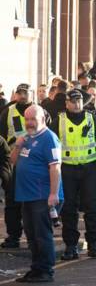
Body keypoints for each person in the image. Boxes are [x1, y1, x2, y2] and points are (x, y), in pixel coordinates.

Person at [51, 89, 96, 260]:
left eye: (79, 101)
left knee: (92, 208)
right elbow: (51, 145)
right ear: (67, 103)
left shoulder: (92, 119)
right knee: (69, 210)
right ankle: (71, 246)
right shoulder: (59, 120)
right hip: (67, 171)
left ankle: (93, 243)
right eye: (73, 101)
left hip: (89, 169)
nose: (77, 104)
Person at [12, 105, 63, 283]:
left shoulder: (49, 138)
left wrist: (53, 194)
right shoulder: (26, 138)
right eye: (27, 119)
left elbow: (55, 167)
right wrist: (17, 146)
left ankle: (46, 270)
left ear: (42, 119)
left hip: (42, 195)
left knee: (42, 234)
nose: (29, 123)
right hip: (27, 194)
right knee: (31, 234)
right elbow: (13, 162)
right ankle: (36, 268)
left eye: (33, 119)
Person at [0, 84, 32, 249]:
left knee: (32, 202)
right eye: (19, 93)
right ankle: (13, 236)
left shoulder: (39, 111)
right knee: (12, 202)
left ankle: (33, 237)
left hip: (33, 164)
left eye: (25, 93)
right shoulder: (8, 111)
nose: (22, 96)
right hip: (14, 163)